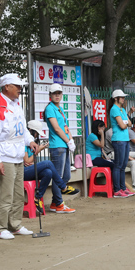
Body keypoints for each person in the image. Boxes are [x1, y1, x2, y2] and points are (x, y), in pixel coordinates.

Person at [0, 73, 38, 239]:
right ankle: (0, 228)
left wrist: (30, 141)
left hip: (17, 155)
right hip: (4, 156)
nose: (20, 89)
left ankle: (15, 224)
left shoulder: (16, 104)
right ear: (6, 87)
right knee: (5, 194)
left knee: (18, 194)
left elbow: (22, 128)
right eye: (17, 86)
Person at [24, 120, 78, 215]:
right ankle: (63, 187)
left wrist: (33, 157)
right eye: (36, 133)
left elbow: (31, 162)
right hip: (22, 171)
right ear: (30, 130)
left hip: (29, 169)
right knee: (48, 163)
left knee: (48, 172)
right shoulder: (23, 143)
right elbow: (27, 161)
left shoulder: (31, 144)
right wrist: (38, 151)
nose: (36, 136)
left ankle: (37, 198)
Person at [44, 83, 77, 212]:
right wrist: (68, 141)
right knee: (58, 177)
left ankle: (54, 202)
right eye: (54, 93)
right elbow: (57, 128)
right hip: (57, 145)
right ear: (50, 95)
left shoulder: (60, 109)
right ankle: (58, 204)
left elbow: (65, 127)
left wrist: (71, 139)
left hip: (64, 144)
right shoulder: (50, 108)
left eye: (59, 93)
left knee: (66, 176)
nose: (57, 95)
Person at [86, 119, 125, 194]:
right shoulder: (92, 136)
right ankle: (116, 188)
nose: (103, 129)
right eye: (101, 127)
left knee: (116, 163)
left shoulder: (98, 136)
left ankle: (119, 185)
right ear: (96, 127)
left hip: (99, 157)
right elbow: (101, 145)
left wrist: (107, 157)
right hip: (93, 159)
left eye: (103, 127)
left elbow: (101, 149)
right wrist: (102, 135)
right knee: (113, 165)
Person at [109, 89, 135, 198]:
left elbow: (130, 123)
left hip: (125, 139)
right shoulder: (114, 109)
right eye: (122, 97)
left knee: (123, 165)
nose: (124, 99)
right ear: (116, 98)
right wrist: (125, 123)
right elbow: (123, 125)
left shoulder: (122, 110)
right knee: (118, 165)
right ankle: (117, 190)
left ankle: (123, 188)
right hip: (118, 139)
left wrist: (125, 123)